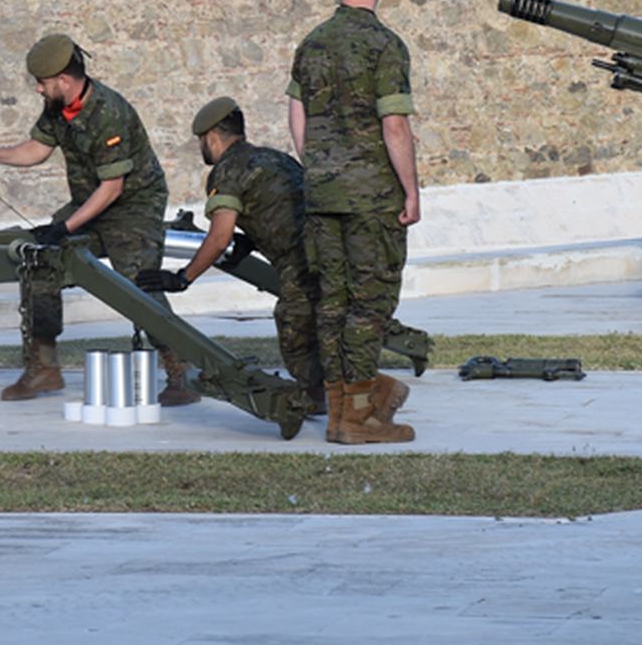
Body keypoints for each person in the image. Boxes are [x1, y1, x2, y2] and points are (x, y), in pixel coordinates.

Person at [135, 97, 433, 415]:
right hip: (335, 250)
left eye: (200, 142)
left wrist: (183, 277)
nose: (201, 149)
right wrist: (251, 240)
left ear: (211, 137)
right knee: (335, 321)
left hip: (301, 261)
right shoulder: (274, 158)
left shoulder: (227, 172)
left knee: (296, 332)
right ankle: (333, 399)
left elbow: (219, 238)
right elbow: (284, 207)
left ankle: (368, 392)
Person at [0, 33, 198, 404]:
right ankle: (44, 369)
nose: (38, 89)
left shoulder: (108, 112)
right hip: (90, 202)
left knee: (139, 283)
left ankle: (181, 372)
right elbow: (37, 149)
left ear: (64, 80)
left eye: (42, 82)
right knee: (40, 261)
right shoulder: (58, 106)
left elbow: (113, 188)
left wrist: (64, 227)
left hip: (132, 205)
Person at [287, 0, 420, 444]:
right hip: (372, 198)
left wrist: (317, 167)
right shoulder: (386, 45)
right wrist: (411, 190)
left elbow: (296, 115)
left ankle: (339, 415)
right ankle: (359, 418)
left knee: (331, 305)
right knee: (369, 304)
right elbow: (394, 124)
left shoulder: (312, 44)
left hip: (322, 195)